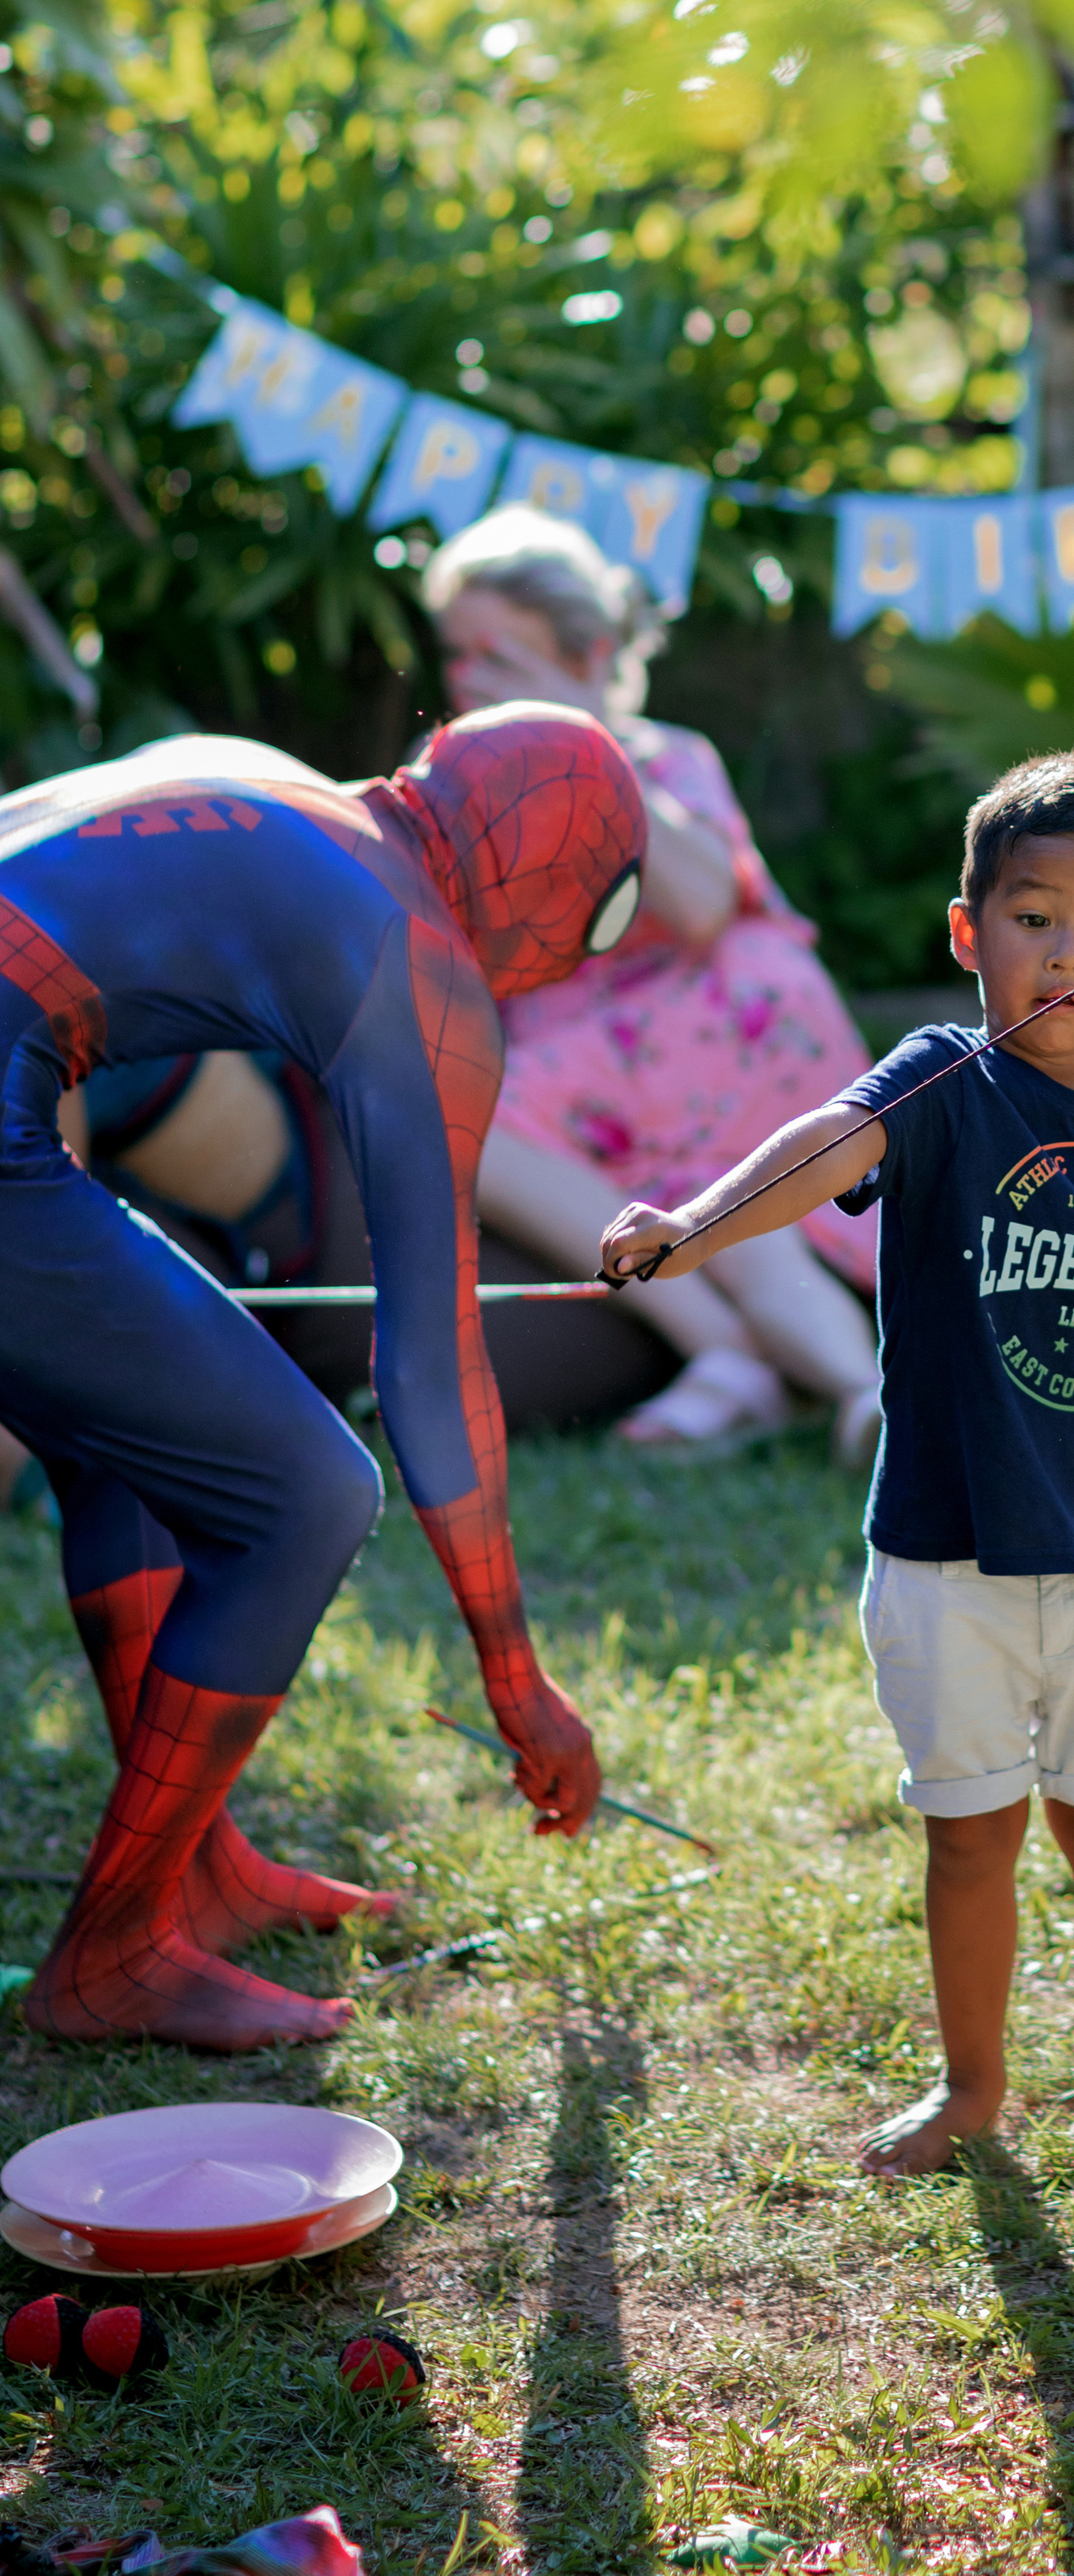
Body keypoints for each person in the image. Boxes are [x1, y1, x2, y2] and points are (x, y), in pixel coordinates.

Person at [602, 751, 1074, 2214]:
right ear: (970, 934)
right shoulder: (944, 1082)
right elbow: (826, 1146)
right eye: (1034, 915)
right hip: (948, 1559)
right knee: (973, 1840)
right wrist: (694, 1226)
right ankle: (972, 2089)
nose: (1066, 951)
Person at [0, 706, 646, 2048]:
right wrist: (517, 1679)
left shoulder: (276, 777)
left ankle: (203, 1877)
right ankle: (111, 1957)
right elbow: (431, 1364)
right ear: (551, 895)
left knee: (128, 1435)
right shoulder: (419, 953)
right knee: (305, 1494)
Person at [421, 511, 881, 1463]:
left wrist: (579, 737)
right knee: (486, 1131)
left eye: (496, 654)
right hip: (584, 1067)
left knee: (751, 1219)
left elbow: (704, 902)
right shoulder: (464, 784)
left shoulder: (664, 755)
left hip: (719, 1024)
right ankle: (769, 1366)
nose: (467, 681)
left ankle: (819, 1387)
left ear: (587, 654)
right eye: (456, 656)